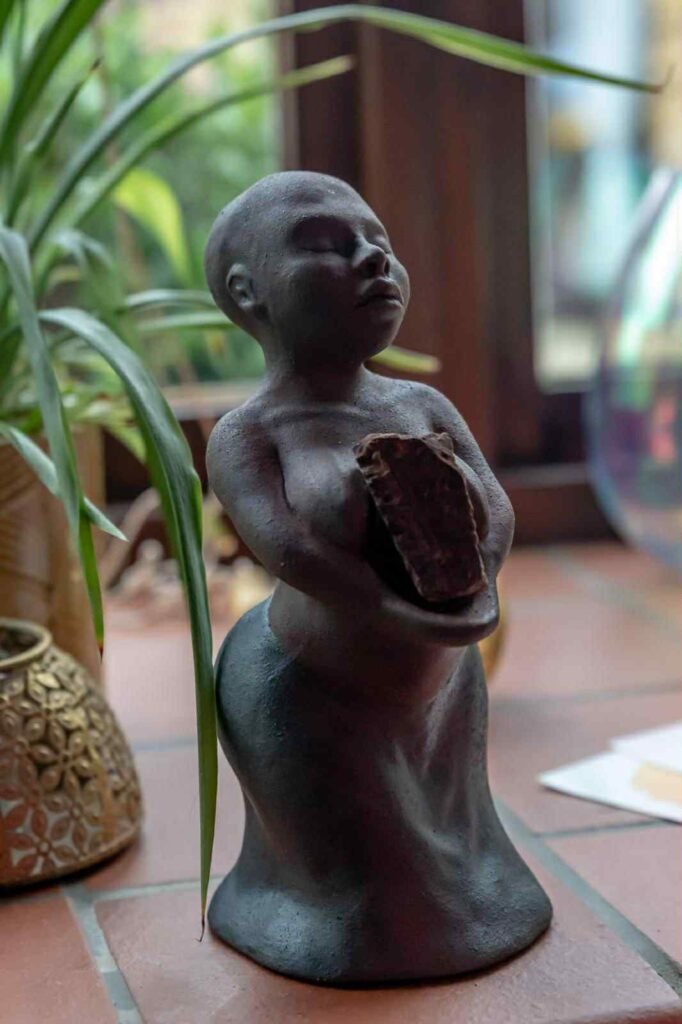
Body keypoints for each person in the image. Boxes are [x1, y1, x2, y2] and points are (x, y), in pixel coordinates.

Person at [205, 171, 551, 984]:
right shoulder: (250, 433)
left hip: (441, 682)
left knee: (462, 879)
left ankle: (462, 907)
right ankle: (319, 915)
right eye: (327, 245)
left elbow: (494, 509)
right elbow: (289, 550)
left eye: (379, 243)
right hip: (307, 691)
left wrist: (479, 589)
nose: (372, 259)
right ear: (248, 293)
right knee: (364, 903)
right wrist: (390, 606)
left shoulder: (420, 405)